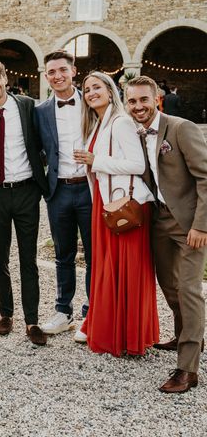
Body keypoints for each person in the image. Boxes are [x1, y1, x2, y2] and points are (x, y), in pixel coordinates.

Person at [125, 76, 207, 393]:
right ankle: (184, 334)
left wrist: (201, 224)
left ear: (157, 98)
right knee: (169, 286)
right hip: (158, 220)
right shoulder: (133, 133)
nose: (138, 106)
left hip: (189, 224)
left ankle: (187, 369)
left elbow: (204, 177)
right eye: (132, 101)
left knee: (188, 291)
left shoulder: (181, 128)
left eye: (143, 100)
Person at [74, 71, 158, 356]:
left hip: (124, 206)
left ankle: (126, 335)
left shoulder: (121, 122)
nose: (91, 93)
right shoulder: (99, 124)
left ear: (110, 90)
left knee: (125, 271)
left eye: (97, 87)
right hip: (106, 201)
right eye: (86, 89)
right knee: (107, 269)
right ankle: (109, 328)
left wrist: (96, 160)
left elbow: (136, 164)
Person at [0, 59, 49, 346]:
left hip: (28, 190)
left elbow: (43, 142)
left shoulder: (28, 106)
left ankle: (32, 320)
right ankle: (6, 313)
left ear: (6, 77)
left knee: (28, 259)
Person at [34, 50, 92, 339]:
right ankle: (62, 311)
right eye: (51, 72)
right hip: (59, 191)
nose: (57, 76)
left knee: (96, 254)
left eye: (62, 70)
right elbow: (36, 151)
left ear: (73, 71)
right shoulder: (41, 110)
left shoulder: (93, 102)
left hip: (91, 189)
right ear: (46, 76)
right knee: (63, 254)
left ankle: (91, 312)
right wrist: (44, 187)